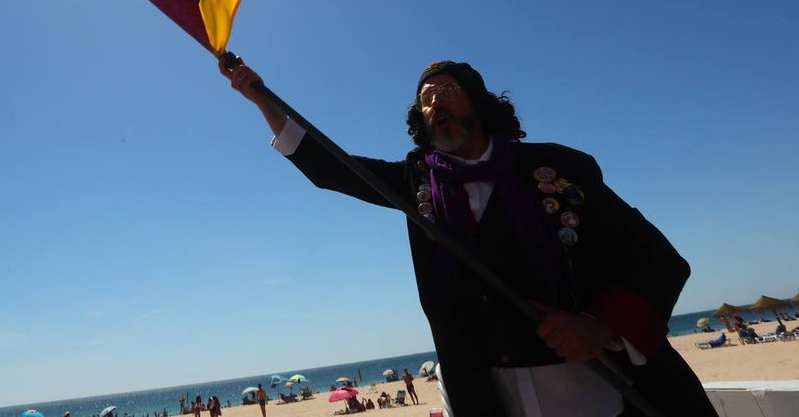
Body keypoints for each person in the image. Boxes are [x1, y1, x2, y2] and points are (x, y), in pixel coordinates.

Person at [222, 57, 718, 417]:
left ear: (479, 104)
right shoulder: (415, 181)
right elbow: (335, 168)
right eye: (425, 98)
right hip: (483, 395)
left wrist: (598, 326)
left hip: (597, 389)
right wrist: (263, 99)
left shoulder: (558, 167)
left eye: (448, 90)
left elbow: (656, 258)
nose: (435, 101)